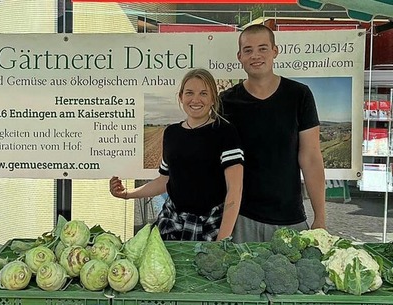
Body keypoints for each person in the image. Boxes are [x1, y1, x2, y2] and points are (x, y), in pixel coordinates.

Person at [110, 68, 244, 241]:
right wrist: (127, 194)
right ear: (181, 97)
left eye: (203, 93)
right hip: (171, 223)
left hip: (211, 226)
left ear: (212, 99)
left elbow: (235, 189)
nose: (196, 99)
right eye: (189, 93)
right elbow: (164, 181)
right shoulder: (172, 133)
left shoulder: (225, 132)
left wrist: (222, 241)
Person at [220, 24, 326, 243]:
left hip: (290, 219)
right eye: (248, 50)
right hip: (240, 219)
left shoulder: (299, 95)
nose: (255, 55)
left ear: (275, 51)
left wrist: (321, 218)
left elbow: (311, 158)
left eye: (263, 48)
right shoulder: (226, 102)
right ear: (239, 56)